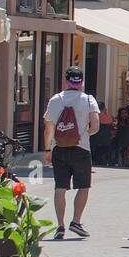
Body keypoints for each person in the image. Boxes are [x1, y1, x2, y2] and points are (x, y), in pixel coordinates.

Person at [43, 66, 100, 239]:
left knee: (60, 187)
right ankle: (76, 221)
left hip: (59, 149)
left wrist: (47, 150)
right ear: (81, 82)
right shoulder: (89, 99)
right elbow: (95, 126)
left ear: (66, 81)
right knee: (83, 186)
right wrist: (82, 135)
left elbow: (48, 128)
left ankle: (60, 226)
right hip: (81, 149)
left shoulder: (55, 99)